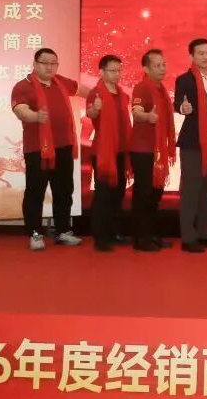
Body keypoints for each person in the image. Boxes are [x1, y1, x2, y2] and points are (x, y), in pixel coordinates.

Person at [11, 47, 87, 250]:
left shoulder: (60, 82)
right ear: (35, 64)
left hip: (63, 146)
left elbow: (81, 90)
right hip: (38, 149)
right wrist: (36, 116)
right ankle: (35, 233)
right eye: (45, 63)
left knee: (64, 190)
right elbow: (20, 110)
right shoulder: (23, 86)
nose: (50, 67)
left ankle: (62, 231)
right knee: (35, 192)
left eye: (54, 63)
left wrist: (100, 96)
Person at [174, 38, 207, 253]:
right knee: (191, 191)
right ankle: (188, 237)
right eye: (201, 53)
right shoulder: (184, 79)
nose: (206, 57)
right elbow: (179, 103)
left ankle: (204, 234)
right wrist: (183, 107)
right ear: (192, 56)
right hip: (193, 143)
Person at [130, 48, 176, 252]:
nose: (162, 68)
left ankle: (151, 234)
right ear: (146, 69)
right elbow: (137, 112)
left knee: (155, 193)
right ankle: (141, 237)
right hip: (143, 149)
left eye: (163, 64)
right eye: (157, 65)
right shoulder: (142, 87)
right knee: (144, 194)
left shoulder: (161, 90)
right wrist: (148, 117)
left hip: (158, 150)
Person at [86, 55, 132, 252]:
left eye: (119, 70)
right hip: (103, 152)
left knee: (117, 194)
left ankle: (114, 232)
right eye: (112, 70)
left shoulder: (122, 94)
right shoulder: (96, 93)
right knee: (103, 195)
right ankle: (100, 237)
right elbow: (91, 113)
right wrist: (96, 109)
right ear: (102, 72)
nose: (116, 74)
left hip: (121, 150)